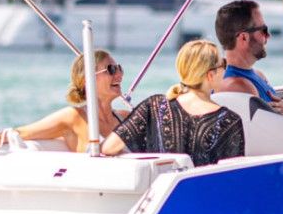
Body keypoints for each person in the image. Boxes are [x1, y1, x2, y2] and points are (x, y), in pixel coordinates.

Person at [103, 39, 245, 166]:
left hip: (161, 193)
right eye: (223, 64)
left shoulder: (154, 106)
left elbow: (109, 147)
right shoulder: (229, 120)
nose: (226, 70)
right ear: (210, 75)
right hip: (202, 194)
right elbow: (234, 178)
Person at [0, 49, 126, 153]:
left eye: (119, 68)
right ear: (87, 80)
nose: (119, 74)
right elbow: (25, 132)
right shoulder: (74, 117)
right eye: (111, 69)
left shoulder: (126, 118)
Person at [214, 0, 283, 119]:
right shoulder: (238, 86)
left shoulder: (258, 76)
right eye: (263, 30)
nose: (268, 36)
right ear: (244, 38)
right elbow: (268, 134)